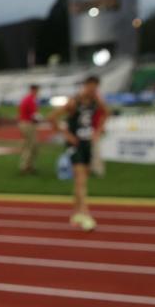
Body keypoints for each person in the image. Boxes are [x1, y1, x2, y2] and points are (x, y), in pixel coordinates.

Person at [49, 75, 107, 231]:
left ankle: (75, 213)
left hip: (87, 143)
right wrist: (66, 135)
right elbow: (52, 117)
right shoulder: (74, 102)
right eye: (91, 87)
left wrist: (98, 132)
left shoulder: (96, 101)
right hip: (75, 144)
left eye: (96, 88)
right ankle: (86, 214)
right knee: (81, 180)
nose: (93, 90)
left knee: (81, 181)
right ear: (86, 86)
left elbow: (106, 113)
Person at [17, 83, 41, 174]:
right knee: (31, 145)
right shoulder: (30, 100)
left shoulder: (27, 99)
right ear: (34, 90)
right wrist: (42, 120)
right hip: (28, 124)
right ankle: (26, 166)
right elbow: (34, 115)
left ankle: (28, 165)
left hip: (24, 123)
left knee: (30, 145)